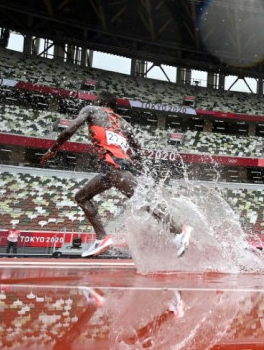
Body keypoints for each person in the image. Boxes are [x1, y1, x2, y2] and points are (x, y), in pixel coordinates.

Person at [41, 91, 191, 258]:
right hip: (114, 169)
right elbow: (139, 151)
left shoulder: (91, 109)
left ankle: (179, 231)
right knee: (82, 197)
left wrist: (53, 150)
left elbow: (69, 130)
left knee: (145, 202)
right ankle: (102, 238)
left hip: (114, 168)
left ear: (99, 101)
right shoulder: (123, 123)